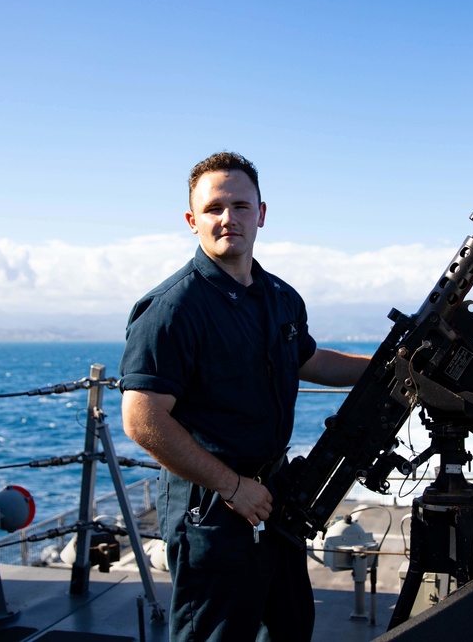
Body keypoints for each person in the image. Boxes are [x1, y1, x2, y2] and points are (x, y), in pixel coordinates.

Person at [119, 151, 370, 642]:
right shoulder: (172, 309)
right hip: (212, 507)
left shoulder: (279, 296)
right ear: (192, 221)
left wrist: (391, 365)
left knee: (291, 628)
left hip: (276, 497)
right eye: (214, 208)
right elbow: (142, 419)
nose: (228, 218)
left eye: (240, 205)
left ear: (261, 214)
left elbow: (310, 361)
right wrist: (232, 487)